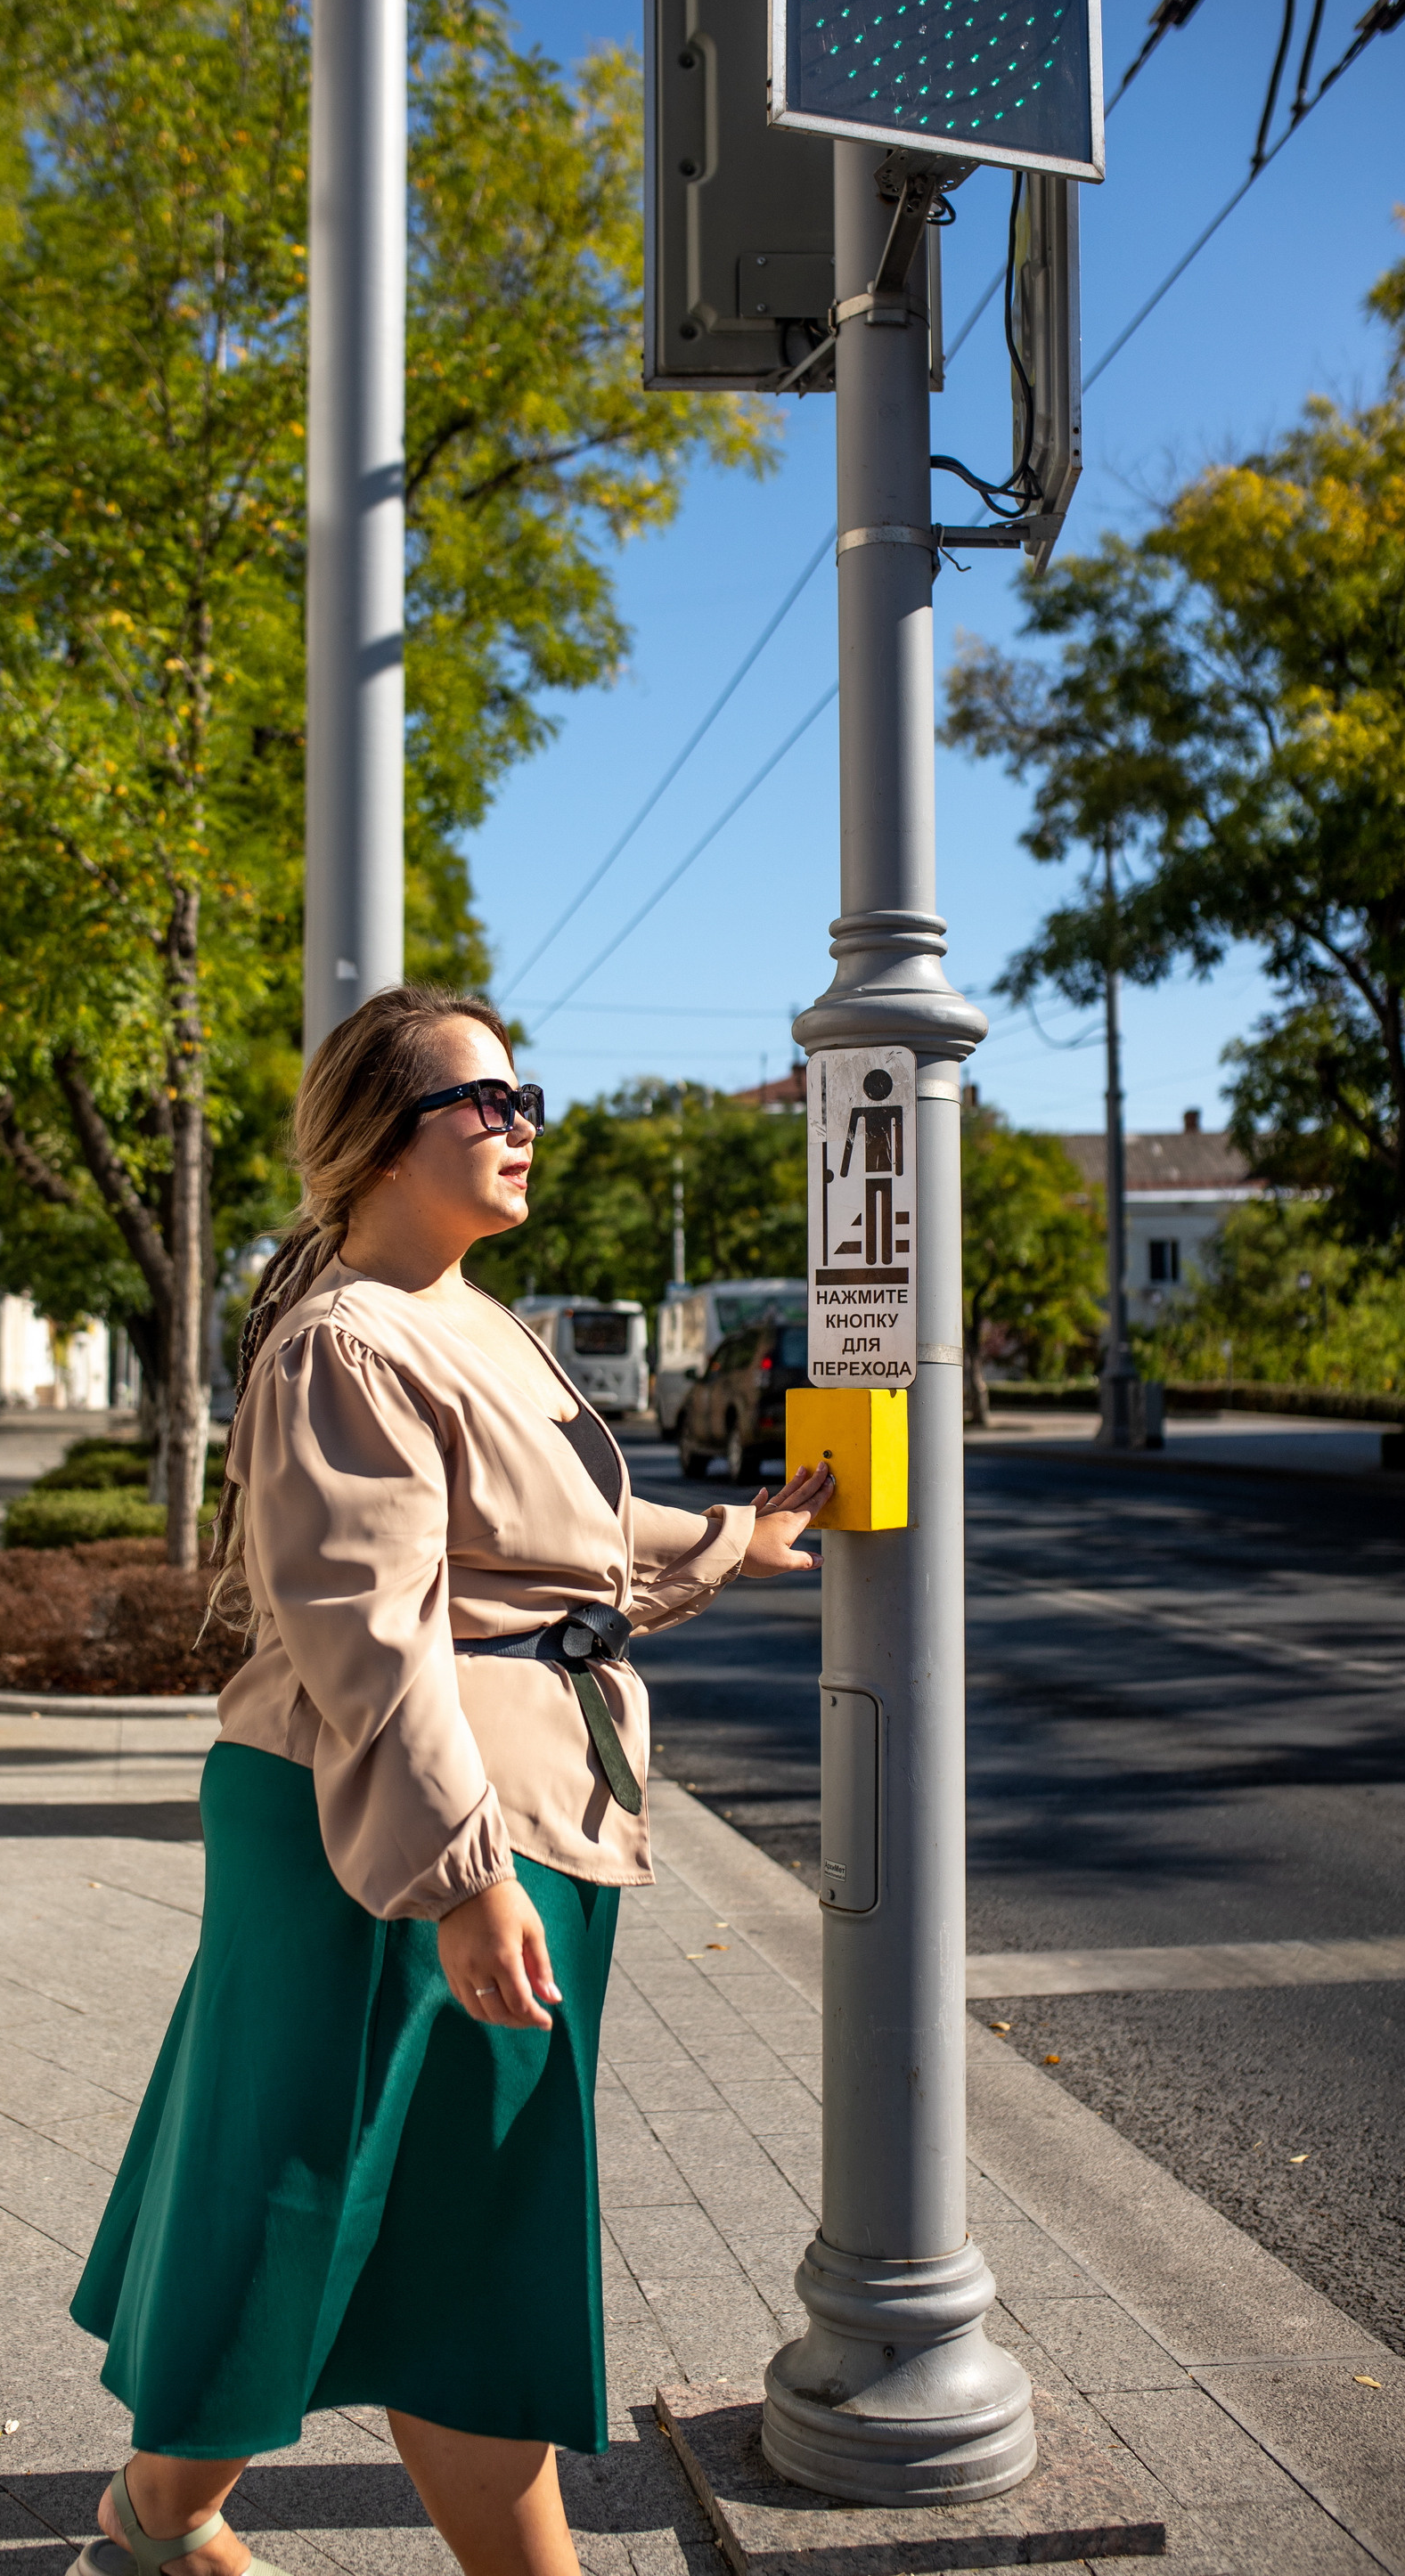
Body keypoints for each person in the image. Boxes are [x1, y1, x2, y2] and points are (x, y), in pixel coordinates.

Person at [69, 984, 832, 2576]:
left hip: (509, 1823)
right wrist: (467, 1884)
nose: (522, 1124)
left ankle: (161, 2515)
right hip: (388, 1834)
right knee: (347, 2196)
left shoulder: (476, 1320)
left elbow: (557, 1554)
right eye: (484, 1101)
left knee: (416, 2209)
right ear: (378, 1142)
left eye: (522, 1095)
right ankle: (165, 2514)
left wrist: (732, 1544)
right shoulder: (348, 1343)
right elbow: (373, 1646)